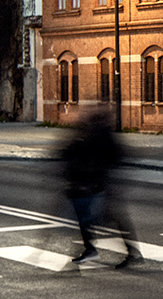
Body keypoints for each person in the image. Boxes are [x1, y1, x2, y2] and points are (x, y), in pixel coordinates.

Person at [62, 108, 133, 267]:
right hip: (95, 183)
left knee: (98, 218)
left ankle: (130, 252)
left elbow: (115, 157)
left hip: (99, 184)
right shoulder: (95, 135)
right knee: (93, 217)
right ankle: (92, 249)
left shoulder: (100, 136)